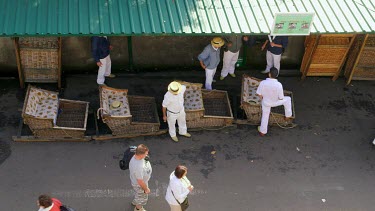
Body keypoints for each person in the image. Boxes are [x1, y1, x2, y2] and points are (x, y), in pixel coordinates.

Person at [256, 67, 292, 136]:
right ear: (277, 75)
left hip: (265, 103)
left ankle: (262, 132)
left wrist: (263, 99)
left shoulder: (263, 83)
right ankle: (288, 116)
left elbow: (259, 94)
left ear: (269, 74)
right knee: (288, 99)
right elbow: (281, 98)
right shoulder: (279, 85)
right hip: (275, 102)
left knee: (265, 115)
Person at [129, 144, 152, 211]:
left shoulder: (136, 154)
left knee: (138, 194)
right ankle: (138, 208)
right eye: (145, 154)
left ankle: (135, 201)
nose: (147, 155)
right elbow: (140, 181)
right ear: (141, 155)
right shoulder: (138, 167)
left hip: (137, 182)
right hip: (139, 185)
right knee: (142, 198)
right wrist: (146, 189)